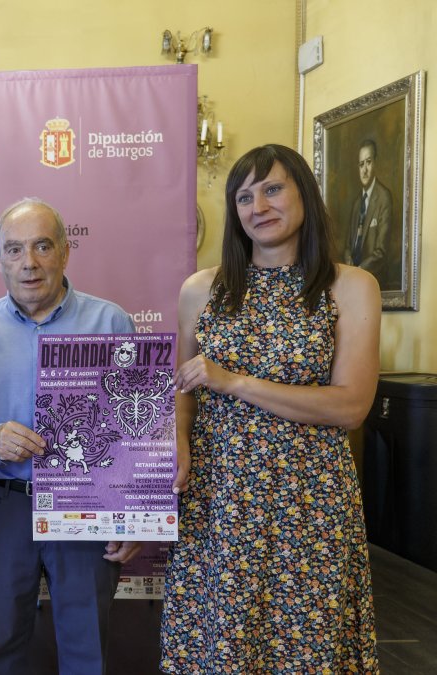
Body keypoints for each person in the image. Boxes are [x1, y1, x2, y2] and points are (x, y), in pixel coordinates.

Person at [161, 144, 379, 672]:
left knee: (306, 646)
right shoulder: (200, 290)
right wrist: (179, 443)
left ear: (304, 191)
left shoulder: (350, 286)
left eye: (273, 188)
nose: (258, 205)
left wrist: (234, 381)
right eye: (243, 197)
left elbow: (350, 407)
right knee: (217, 637)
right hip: (221, 496)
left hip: (309, 499)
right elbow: (184, 392)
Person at [0, 198, 141, 675]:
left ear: (65, 252)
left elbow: (139, 432)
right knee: (1, 650)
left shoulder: (111, 323)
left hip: (88, 507)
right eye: (14, 250)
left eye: (41, 246)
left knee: (87, 649)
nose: (28, 263)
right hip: (2, 505)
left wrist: (136, 514)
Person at [344, 138, 392, 281]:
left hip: (374, 281)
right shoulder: (357, 203)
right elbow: (347, 247)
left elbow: (381, 251)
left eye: (368, 162)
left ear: (375, 163)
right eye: (361, 164)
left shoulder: (384, 197)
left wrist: (357, 272)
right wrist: (348, 263)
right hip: (353, 279)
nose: (364, 170)